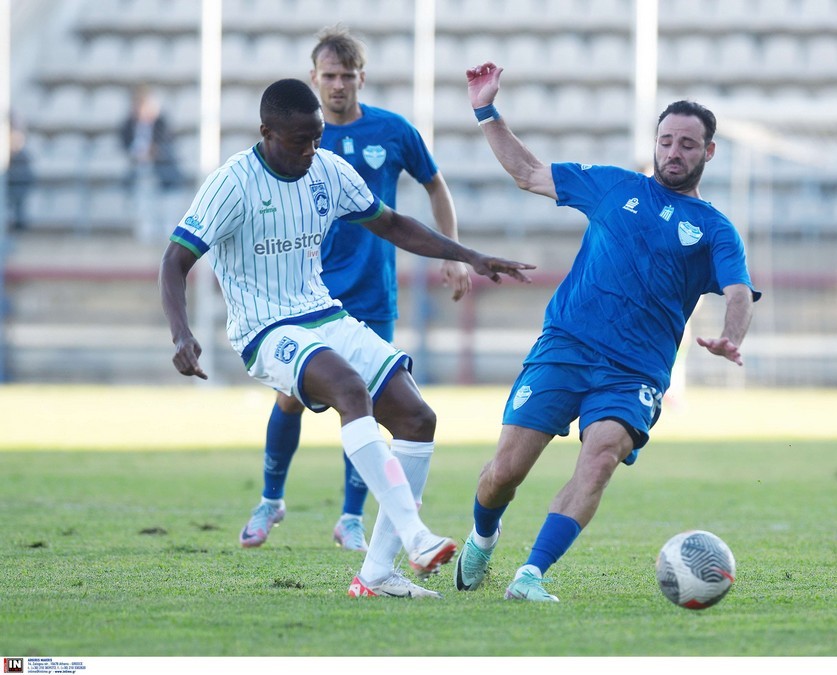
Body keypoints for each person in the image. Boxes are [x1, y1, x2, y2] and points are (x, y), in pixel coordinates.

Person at [159, 77, 534, 598]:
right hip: (264, 329)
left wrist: (467, 255)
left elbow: (394, 224)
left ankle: (377, 574)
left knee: (417, 417)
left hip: (322, 313)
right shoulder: (232, 183)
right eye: (300, 141)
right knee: (349, 388)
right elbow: (175, 260)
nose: (313, 150)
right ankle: (415, 535)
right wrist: (181, 333)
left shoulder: (328, 169)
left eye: (317, 138)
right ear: (267, 132)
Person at [453, 62, 760, 602]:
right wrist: (485, 109)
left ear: (708, 153)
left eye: (688, 144)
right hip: (565, 348)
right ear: (655, 143)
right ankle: (483, 536)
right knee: (503, 472)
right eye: (667, 140)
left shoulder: (715, 228)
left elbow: (738, 292)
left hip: (634, 371)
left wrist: (732, 337)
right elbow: (527, 173)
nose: (674, 152)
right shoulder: (613, 186)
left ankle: (531, 576)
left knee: (599, 459)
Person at [241, 25, 471, 554]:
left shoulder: (391, 132)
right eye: (329, 76)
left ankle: (350, 517)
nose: (339, 85)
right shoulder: (298, 139)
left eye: (347, 76)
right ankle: (271, 499)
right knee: (290, 397)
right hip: (306, 297)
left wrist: (455, 252)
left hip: (370, 292)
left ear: (362, 78)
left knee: (364, 398)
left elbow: (434, 183)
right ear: (313, 78)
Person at [120, 85, 183, 242]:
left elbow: (165, 146)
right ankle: (146, 238)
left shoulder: (161, 122)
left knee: (168, 210)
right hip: (140, 173)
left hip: (164, 173)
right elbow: (126, 144)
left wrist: (151, 152)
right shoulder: (129, 124)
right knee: (143, 208)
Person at [7, 113, 34, 232]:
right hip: (11, 176)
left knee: (18, 203)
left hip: (17, 178)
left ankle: (17, 224)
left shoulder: (22, 154)